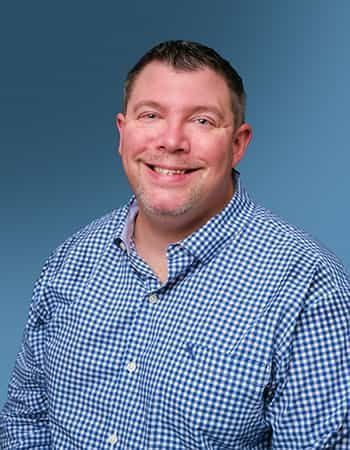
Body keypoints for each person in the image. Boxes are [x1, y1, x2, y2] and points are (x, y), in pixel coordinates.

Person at [1, 40, 349, 449]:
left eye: (201, 121)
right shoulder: (71, 260)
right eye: (151, 115)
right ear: (122, 131)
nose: (171, 141)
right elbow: (25, 422)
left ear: (238, 144)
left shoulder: (308, 286)